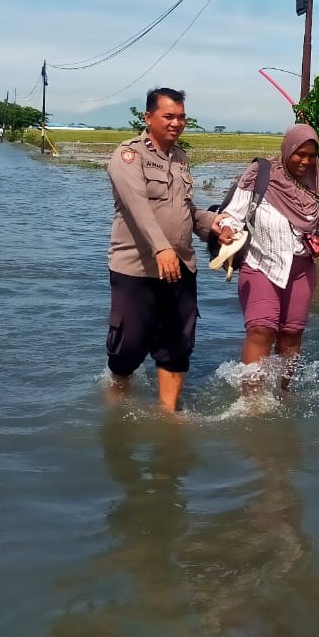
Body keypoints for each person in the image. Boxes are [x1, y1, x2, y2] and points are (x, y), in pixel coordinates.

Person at [106, 87, 234, 412]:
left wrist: (214, 224)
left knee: (177, 346)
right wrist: (161, 248)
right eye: (169, 116)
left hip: (181, 267)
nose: (177, 123)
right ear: (148, 117)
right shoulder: (127, 157)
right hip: (136, 268)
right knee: (128, 347)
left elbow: (187, 212)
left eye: (181, 117)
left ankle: (168, 414)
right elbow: (138, 208)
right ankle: (117, 400)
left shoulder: (180, 159)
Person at [217, 124, 319, 393]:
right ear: (287, 150)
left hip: (301, 269)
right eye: (299, 154)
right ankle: (253, 400)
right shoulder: (260, 175)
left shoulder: (315, 183)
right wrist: (227, 229)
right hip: (260, 264)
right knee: (262, 330)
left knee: (291, 334)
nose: (305, 161)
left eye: (311, 155)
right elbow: (232, 215)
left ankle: (283, 392)